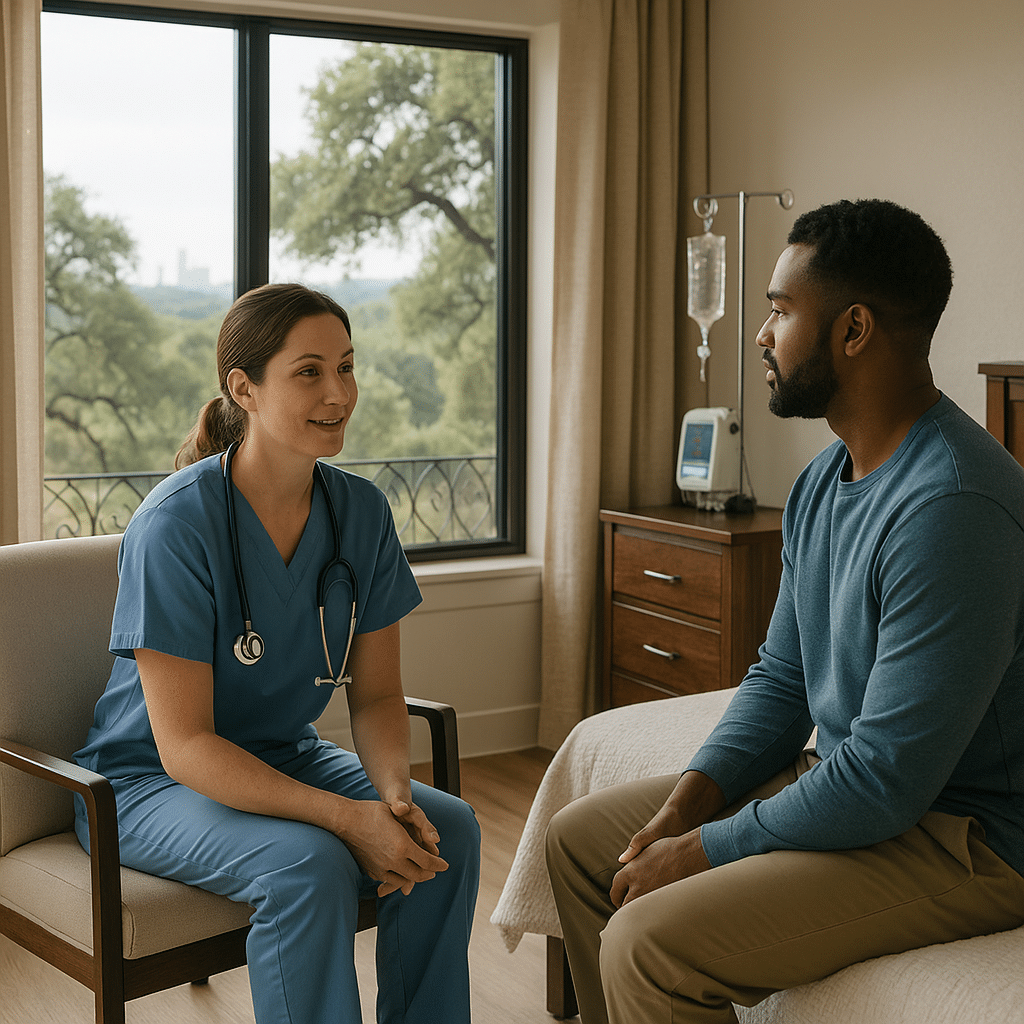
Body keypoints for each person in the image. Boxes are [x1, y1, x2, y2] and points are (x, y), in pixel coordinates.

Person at [546, 199, 1024, 1024]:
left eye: (778, 309)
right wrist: (683, 806)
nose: (762, 335)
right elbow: (782, 679)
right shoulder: (822, 480)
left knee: (647, 943)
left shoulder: (955, 505)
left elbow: (885, 780)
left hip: (966, 835)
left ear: (854, 329)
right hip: (862, 788)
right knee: (581, 841)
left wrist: (701, 851)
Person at [73, 282, 481, 1024]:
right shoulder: (176, 526)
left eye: (348, 368)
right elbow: (187, 746)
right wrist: (341, 818)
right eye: (309, 371)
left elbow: (378, 695)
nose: (338, 393)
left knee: (444, 827)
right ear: (244, 388)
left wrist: (389, 795)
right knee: (308, 864)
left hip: (280, 755)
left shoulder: (360, 511)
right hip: (149, 784)